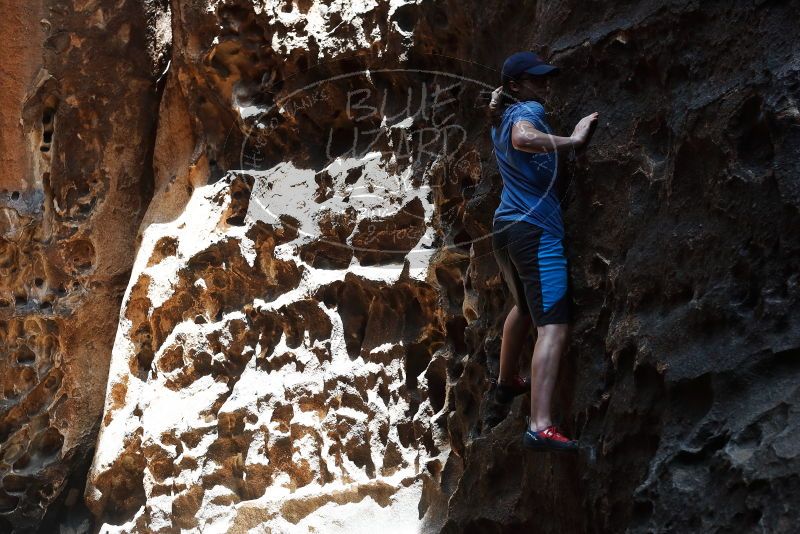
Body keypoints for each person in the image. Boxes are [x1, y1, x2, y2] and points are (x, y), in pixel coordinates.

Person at [487, 51, 598, 452]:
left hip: (505, 229)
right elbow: (524, 138)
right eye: (536, 79)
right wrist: (573, 141)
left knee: (523, 308)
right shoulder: (526, 110)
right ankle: (540, 425)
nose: (545, 85)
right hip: (536, 232)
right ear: (516, 86)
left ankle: (507, 382)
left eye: (545, 78)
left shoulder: (498, 118)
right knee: (553, 325)